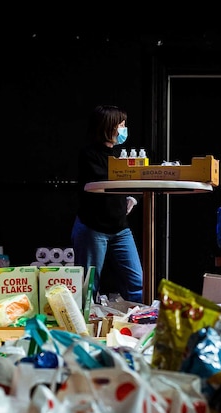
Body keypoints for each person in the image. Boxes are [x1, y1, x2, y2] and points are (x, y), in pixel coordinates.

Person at [71, 104, 144, 304]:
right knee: (89, 287)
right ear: (108, 127)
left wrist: (132, 197)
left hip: (120, 229)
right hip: (93, 228)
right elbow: (104, 181)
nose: (123, 129)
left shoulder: (119, 156)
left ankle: (144, 323)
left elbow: (132, 181)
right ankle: (86, 329)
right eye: (121, 125)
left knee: (137, 284)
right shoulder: (89, 155)